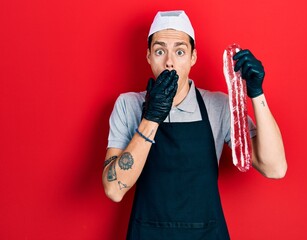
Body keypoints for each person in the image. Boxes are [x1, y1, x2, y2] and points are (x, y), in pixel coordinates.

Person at [102, 10, 287, 239]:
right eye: (160, 51)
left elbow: (275, 168)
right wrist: (151, 117)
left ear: (193, 57)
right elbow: (114, 189)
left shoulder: (217, 106)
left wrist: (257, 93)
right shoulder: (129, 105)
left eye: (180, 51)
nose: (169, 62)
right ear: (148, 56)